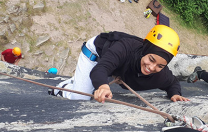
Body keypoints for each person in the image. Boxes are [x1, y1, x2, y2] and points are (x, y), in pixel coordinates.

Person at [49, 25, 190, 103]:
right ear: (144, 50)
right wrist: (103, 85)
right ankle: (63, 87)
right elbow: (101, 69)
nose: (152, 68)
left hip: (114, 66)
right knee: (80, 97)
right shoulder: (125, 48)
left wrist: (175, 94)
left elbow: (172, 82)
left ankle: (81, 80)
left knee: (93, 85)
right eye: (151, 59)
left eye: (160, 66)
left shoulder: (161, 74)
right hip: (96, 55)